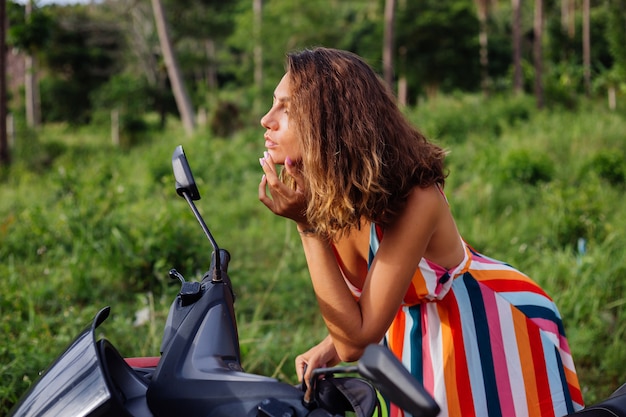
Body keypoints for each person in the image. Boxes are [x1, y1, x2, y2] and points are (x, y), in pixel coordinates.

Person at [258, 47, 583, 417]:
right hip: (416, 336)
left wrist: (307, 227)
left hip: (492, 325)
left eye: (285, 108)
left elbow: (357, 344)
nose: (266, 119)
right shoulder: (331, 191)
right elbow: (368, 311)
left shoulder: (417, 197)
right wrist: (330, 342)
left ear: (327, 121)